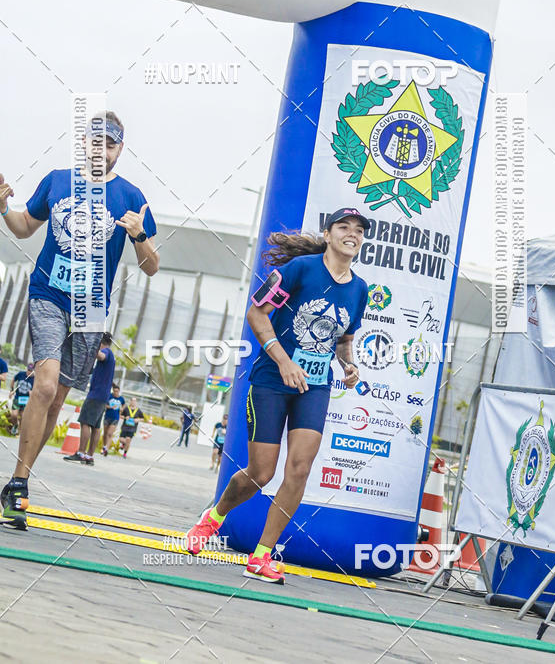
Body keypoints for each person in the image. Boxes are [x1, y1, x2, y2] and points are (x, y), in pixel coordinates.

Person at [186, 207, 369, 584]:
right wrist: (284, 361)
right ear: (329, 233)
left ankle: (262, 555)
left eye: (359, 230)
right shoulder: (300, 269)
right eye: (344, 227)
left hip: (314, 387)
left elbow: (344, 339)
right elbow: (257, 313)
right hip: (271, 379)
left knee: (300, 468)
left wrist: (349, 366)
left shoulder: (359, 289)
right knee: (261, 473)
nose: (352, 234)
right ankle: (213, 518)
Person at [0, 112, 159, 530]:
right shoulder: (57, 180)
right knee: (45, 383)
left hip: (91, 308)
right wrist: (2, 206)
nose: (101, 150)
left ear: (119, 150)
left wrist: (140, 236)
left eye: (109, 144)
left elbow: (152, 267)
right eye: (94, 142)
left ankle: (22, 477)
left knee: (57, 398)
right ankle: (18, 483)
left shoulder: (130, 196)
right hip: (48, 294)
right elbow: (22, 228)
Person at [63, 333, 115, 466]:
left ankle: (80, 452)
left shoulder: (106, 352)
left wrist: (92, 346)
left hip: (96, 395)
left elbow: (101, 355)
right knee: (96, 426)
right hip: (103, 396)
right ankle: (89, 456)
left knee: (85, 422)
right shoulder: (112, 356)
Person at [7, 364, 35, 436]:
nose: (29, 372)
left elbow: (37, 391)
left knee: (23, 417)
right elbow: (13, 379)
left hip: (27, 400)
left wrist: (32, 393)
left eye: (31, 371)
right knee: (14, 415)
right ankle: (15, 426)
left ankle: (20, 432)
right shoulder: (21, 374)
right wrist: (11, 390)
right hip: (17, 398)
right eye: (28, 370)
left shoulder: (35, 379)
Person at [102, 383, 125, 456]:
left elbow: (124, 404)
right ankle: (104, 446)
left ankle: (106, 449)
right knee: (105, 434)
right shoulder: (109, 396)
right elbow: (104, 404)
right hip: (107, 416)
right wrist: (110, 407)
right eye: (114, 391)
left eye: (117, 391)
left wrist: (122, 408)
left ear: (119, 391)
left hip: (115, 418)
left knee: (110, 433)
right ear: (113, 391)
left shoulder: (121, 398)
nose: (115, 393)